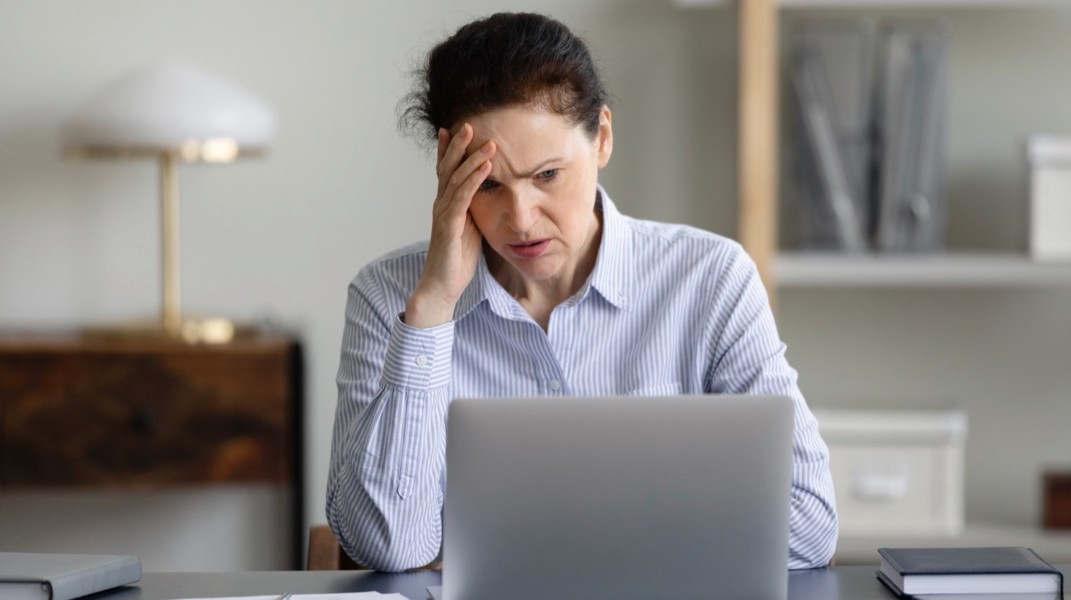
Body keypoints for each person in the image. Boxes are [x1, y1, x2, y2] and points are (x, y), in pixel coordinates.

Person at [325, 11, 837, 573]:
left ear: (603, 140)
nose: (520, 220)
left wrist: (566, 549)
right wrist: (431, 310)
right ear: (448, 172)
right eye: (488, 185)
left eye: (547, 175)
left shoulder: (711, 280)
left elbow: (809, 525)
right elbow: (389, 546)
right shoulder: (389, 297)